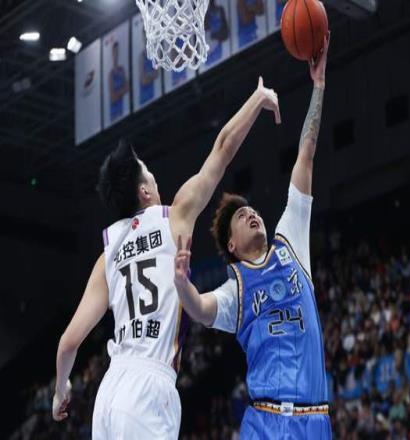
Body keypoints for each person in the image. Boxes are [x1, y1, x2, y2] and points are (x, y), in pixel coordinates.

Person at [51, 77, 281, 439]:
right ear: (145, 191)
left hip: (109, 394)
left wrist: (60, 390)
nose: (155, 178)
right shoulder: (176, 217)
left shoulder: (107, 257)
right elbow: (222, 149)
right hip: (149, 389)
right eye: (149, 172)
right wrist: (257, 98)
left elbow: (68, 343)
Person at [174, 34, 332, 438]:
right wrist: (182, 284)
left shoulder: (290, 242)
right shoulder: (236, 290)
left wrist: (318, 86)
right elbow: (200, 309)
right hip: (266, 420)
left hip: (316, 420)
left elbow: (306, 155)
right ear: (231, 246)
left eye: (252, 211)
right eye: (241, 217)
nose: (251, 214)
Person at [109, 41, 129, 122]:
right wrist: (122, 90)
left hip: (122, 110)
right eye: (114, 52)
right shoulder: (111, 74)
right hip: (113, 113)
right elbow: (113, 98)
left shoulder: (122, 70)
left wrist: (117, 92)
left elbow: (127, 88)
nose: (116, 54)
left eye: (117, 52)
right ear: (112, 54)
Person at [139, 33, 160, 106]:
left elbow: (157, 74)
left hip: (152, 95)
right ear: (143, 38)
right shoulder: (141, 57)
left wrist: (147, 75)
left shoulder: (154, 54)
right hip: (144, 97)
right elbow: (143, 81)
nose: (146, 39)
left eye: (147, 37)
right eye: (145, 37)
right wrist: (151, 75)